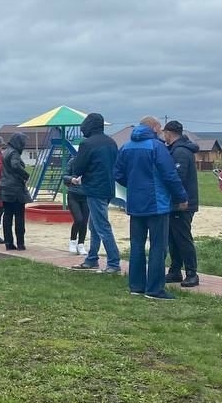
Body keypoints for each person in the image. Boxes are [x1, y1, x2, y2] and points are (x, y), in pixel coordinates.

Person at [114, 117, 187, 300]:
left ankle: (136, 286)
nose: (161, 131)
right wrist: (180, 197)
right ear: (154, 128)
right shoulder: (157, 147)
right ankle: (155, 289)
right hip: (157, 203)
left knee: (137, 245)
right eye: (159, 128)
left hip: (135, 203)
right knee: (158, 246)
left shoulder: (126, 147)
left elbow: (118, 174)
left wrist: (133, 184)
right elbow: (170, 175)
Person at [68, 113, 121, 274]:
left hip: (94, 189)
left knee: (102, 226)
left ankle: (113, 262)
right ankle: (92, 258)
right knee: (94, 226)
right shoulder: (111, 142)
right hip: (109, 188)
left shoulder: (87, 144)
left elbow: (78, 168)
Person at [162, 120, 200, 288]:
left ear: (168, 133)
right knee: (173, 238)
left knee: (183, 238)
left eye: (164, 134)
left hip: (183, 203)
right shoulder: (176, 150)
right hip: (177, 201)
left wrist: (179, 199)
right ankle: (175, 270)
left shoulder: (180, 152)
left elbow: (178, 178)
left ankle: (192, 273)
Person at [0, 132, 30, 251]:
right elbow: (15, 165)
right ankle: (20, 243)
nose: (24, 144)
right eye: (23, 142)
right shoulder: (14, 153)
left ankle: (8, 243)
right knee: (19, 217)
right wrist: (26, 175)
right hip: (15, 188)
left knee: (7, 216)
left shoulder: (5, 151)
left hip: (5, 187)